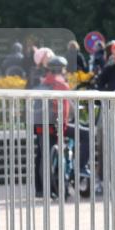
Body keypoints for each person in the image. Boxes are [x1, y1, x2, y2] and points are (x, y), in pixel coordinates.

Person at [31, 56, 71, 198]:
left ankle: (41, 188)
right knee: (48, 156)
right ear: (61, 69)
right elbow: (65, 109)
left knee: (42, 155)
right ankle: (52, 188)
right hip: (53, 124)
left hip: (39, 124)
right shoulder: (61, 84)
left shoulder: (43, 81)